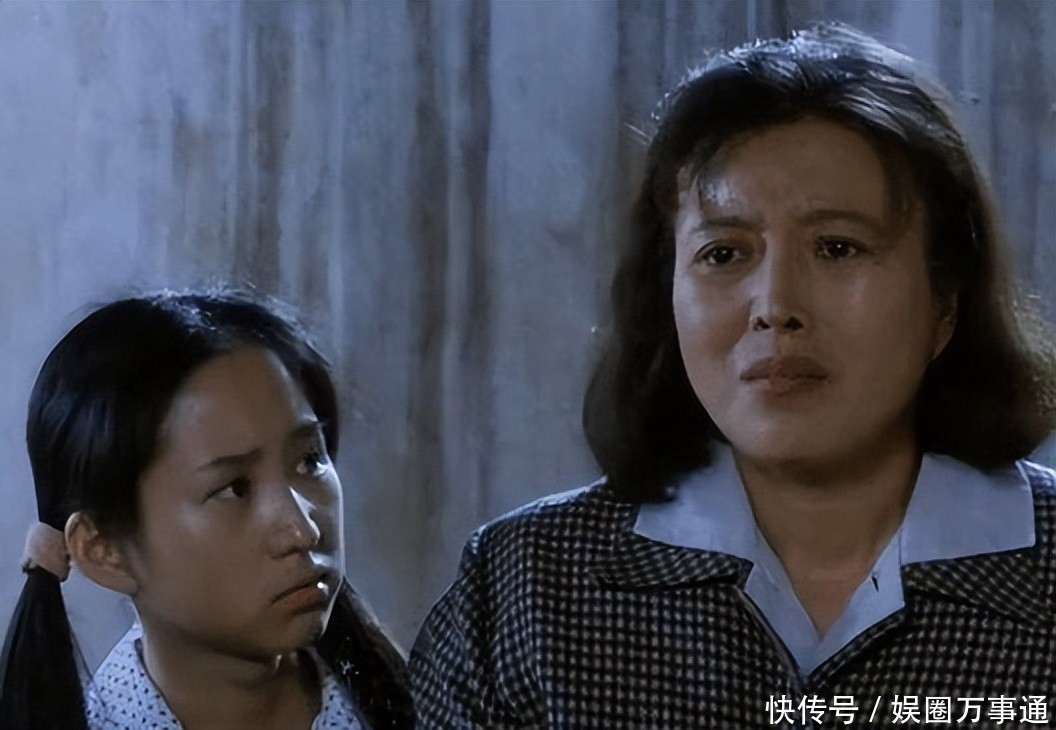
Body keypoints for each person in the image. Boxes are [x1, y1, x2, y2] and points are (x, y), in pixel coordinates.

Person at [410, 23, 1056, 728]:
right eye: (723, 254)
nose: (775, 306)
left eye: (837, 248)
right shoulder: (524, 589)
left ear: (945, 301)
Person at [0, 290, 414, 729]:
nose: (302, 530)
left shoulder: (411, 705)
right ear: (105, 550)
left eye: (309, 461)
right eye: (234, 489)